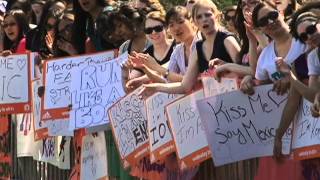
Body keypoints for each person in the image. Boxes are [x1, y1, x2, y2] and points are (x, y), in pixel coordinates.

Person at [142, 0, 240, 94]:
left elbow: (246, 70)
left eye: (208, 15)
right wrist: (156, 87)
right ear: (195, 22)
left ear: (217, 16)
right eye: (199, 17)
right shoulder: (198, 48)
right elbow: (185, 85)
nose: (204, 19)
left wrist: (227, 66)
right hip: (216, 104)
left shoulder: (227, 40)